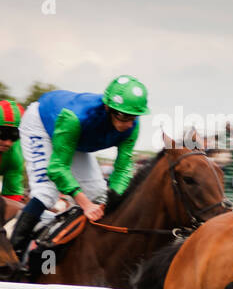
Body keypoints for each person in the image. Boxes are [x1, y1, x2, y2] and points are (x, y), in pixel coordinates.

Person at [10, 76, 149, 262]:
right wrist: (85, 204)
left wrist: (110, 202)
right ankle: (12, 254)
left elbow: (123, 170)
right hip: (41, 124)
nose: (128, 124)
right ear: (108, 108)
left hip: (75, 138)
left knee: (99, 195)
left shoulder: (132, 126)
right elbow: (58, 168)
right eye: (123, 116)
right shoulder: (76, 117)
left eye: (133, 117)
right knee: (46, 193)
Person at [1, 99, 26, 221]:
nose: (7, 143)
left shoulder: (15, 155)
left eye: (14, 137)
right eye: (3, 135)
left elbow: (12, 197)